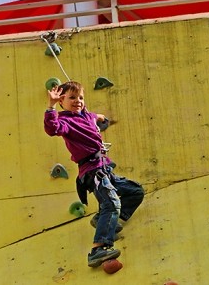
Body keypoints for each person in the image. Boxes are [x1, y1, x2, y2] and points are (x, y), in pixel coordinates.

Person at [44, 81, 144, 268]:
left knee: (136, 192)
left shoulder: (86, 116)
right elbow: (52, 128)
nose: (78, 101)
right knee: (111, 203)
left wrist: (100, 117)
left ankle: (103, 220)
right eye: (72, 98)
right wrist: (51, 106)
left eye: (80, 97)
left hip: (105, 169)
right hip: (92, 171)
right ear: (61, 101)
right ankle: (99, 249)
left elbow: (94, 116)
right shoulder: (65, 122)